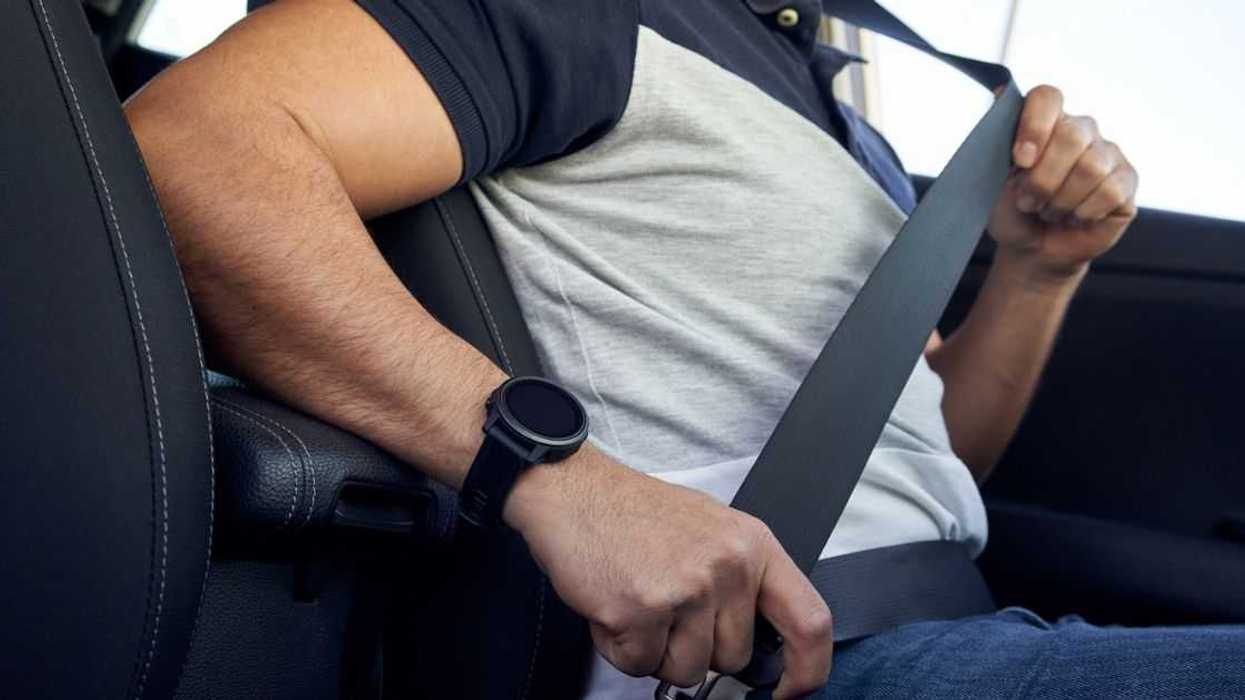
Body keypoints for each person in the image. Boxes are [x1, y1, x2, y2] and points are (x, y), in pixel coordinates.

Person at [125, 1, 1240, 698]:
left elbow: (930, 464)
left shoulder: (860, 136)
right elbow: (192, 153)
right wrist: (556, 477)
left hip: (967, 622)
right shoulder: (587, 18)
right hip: (787, 668)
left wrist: (1041, 269)